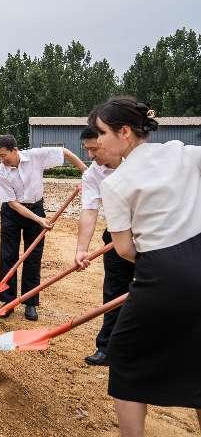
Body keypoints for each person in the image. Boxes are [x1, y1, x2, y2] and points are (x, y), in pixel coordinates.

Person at [91, 97, 201, 436]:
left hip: (161, 273)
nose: (97, 142)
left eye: (101, 133)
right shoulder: (183, 153)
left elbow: (124, 249)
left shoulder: (115, 183)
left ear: (124, 132)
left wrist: (164, 263)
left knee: (124, 355)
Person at [0, 134, 87, 320]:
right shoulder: (1, 173)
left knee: (33, 257)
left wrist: (84, 170)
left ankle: (30, 302)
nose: (2, 160)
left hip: (35, 206)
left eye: (4, 155)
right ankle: (7, 301)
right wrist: (39, 220)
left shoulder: (35, 156)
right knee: (8, 256)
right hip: (12, 213)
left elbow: (64, 152)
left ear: (15, 150)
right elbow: (13, 204)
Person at [73, 125, 134, 367]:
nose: (90, 155)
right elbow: (89, 210)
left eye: (94, 149)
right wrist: (81, 249)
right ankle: (107, 348)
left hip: (153, 236)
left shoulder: (139, 162)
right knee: (114, 291)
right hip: (117, 236)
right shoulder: (92, 174)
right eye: (86, 150)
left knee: (155, 291)